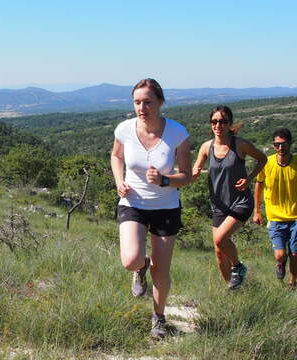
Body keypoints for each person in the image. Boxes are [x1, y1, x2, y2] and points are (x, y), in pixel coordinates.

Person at [111, 78, 192, 338]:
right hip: (133, 202)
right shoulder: (124, 129)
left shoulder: (178, 133)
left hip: (166, 207)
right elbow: (116, 156)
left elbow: (188, 176)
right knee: (130, 260)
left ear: (160, 102)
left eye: (147, 102)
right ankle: (139, 267)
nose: (141, 107)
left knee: (162, 270)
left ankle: (158, 318)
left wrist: (165, 180)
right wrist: (119, 181)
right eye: (137, 102)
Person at [191, 105, 267, 290]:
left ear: (230, 124)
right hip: (219, 205)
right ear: (211, 124)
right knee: (219, 251)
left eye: (223, 121)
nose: (218, 125)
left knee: (220, 240)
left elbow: (262, 159)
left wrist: (249, 179)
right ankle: (232, 288)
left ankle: (238, 267)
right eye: (215, 121)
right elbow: (195, 170)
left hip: (240, 202)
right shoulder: (206, 147)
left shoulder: (239, 144)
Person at [253, 128, 297, 288]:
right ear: (274, 145)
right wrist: (257, 211)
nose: (281, 148)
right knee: (280, 255)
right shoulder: (266, 163)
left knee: (295, 253)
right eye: (277, 144)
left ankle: (292, 283)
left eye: (284, 144)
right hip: (275, 217)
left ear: (290, 144)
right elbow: (258, 186)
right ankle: (281, 263)